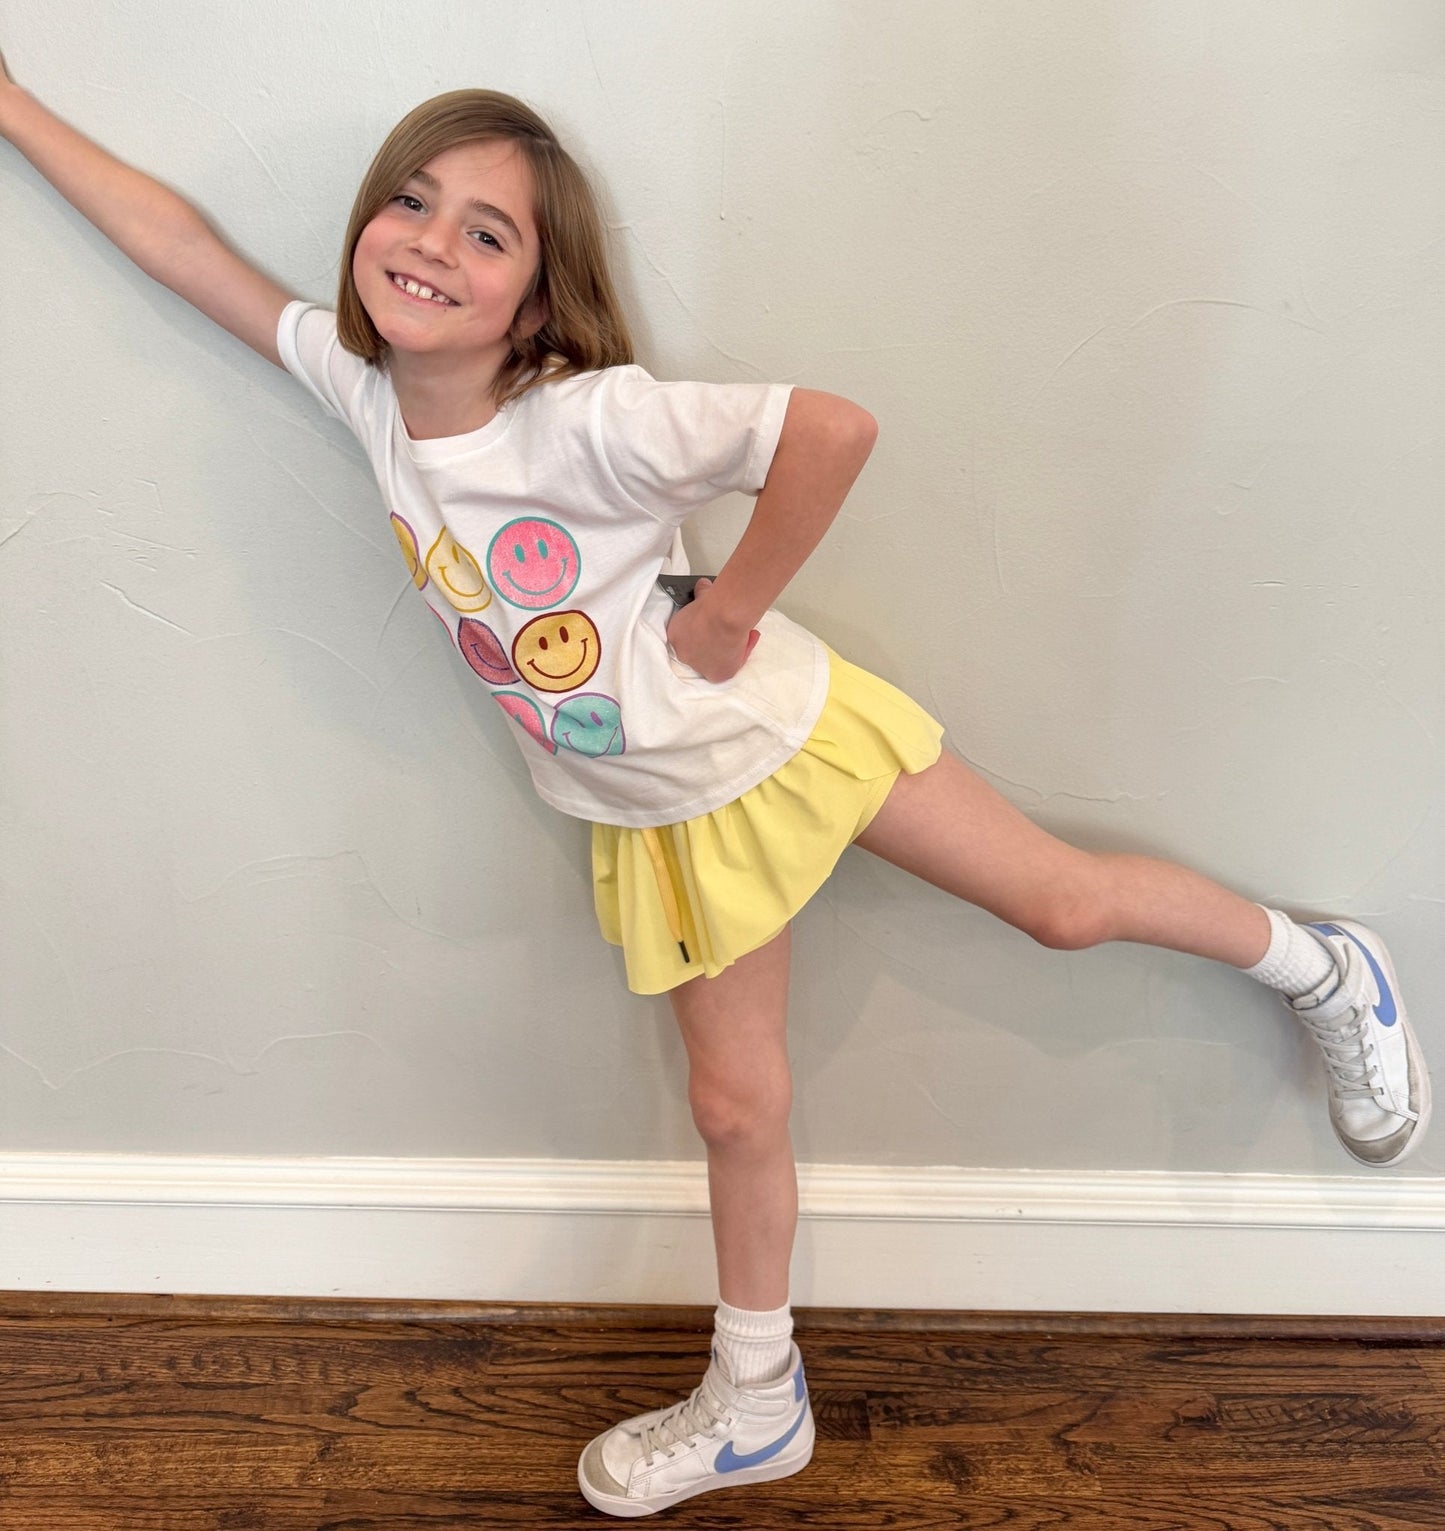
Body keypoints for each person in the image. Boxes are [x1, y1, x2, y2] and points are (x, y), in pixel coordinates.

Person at [1, 57, 1430, 1520]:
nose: (430, 244)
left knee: (1061, 906)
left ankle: (1324, 969)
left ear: (536, 301)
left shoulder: (583, 418)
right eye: (411, 203)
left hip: (783, 735)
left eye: (486, 233)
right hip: (664, 816)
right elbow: (180, 245)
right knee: (737, 1106)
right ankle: (758, 1401)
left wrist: (732, 610)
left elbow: (829, 430)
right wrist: (12, 103)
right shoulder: (364, 394)